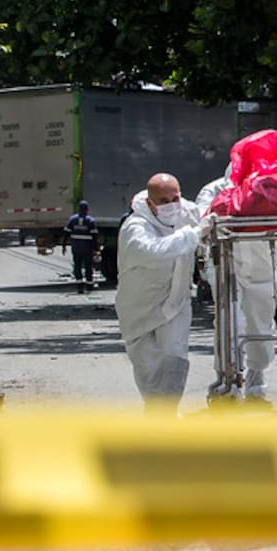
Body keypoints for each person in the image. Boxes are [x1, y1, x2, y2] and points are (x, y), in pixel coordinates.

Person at [115, 173, 210, 413]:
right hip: (139, 308)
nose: (171, 205)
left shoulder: (186, 213)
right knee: (146, 364)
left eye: (174, 198)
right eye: (163, 201)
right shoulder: (135, 227)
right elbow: (154, 251)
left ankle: (167, 413)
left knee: (174, 356)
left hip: (176, 301)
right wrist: (194, 234)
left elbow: (211, 208)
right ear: (150, 203)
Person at [197, 167, 277, 402]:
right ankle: (228, 379)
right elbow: (202, 216)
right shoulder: (215, 190)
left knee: (261, 323)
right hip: (225, 264)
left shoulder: (270, 188)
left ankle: (256, 381)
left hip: (262, 264)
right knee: (227, 323)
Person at [61, 199, 100, 293]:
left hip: (76, 246)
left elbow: (66, 233)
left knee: (77, 266)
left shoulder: (72, 219)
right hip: (87, 247)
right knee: (88, 266)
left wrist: (64, 245)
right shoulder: (90, 220)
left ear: (79, 209)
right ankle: (89, 286)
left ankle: (79, 286)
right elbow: (94, 236)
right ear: (87, 209)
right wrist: (96, 249)